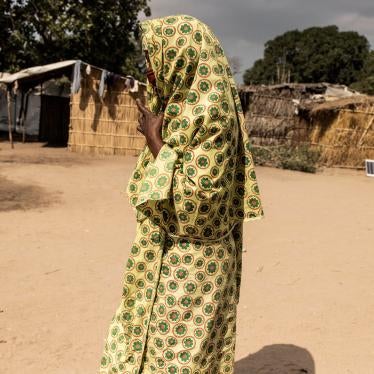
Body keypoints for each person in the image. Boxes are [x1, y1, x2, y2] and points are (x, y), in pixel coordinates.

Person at [99, 14, 264, 374]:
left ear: (181, 58)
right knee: (142, 347)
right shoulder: (181, 107)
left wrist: (155, 141)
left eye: (153, 60)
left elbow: (199, 202)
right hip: (165, 256)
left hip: (193, 266)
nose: (149, 72)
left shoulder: (213, 116)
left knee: (177, 361)